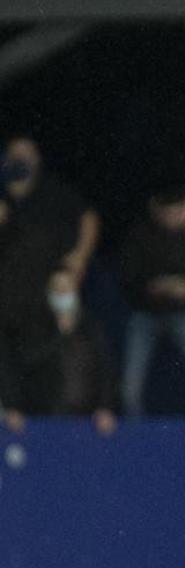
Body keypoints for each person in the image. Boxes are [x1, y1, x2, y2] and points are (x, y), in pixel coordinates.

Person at [0, 135, 101, 430]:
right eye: (15, 154)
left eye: (27, 153)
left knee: (62, 355)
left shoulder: (53, 193)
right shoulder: (4, 197)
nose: (20, 159)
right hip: (8, 297)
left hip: (51, 294)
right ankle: (12, 412)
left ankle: (65, 424)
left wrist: (80, 258)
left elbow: (88, 218)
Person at [119, 186, 185, 420]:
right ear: (156, 209)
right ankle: (131, 420)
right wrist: (152, 287)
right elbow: (127, 277)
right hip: (146, 312)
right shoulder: (141, 237)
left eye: (176, 210)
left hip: (183, 311)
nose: (172, 216)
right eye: (167, 211)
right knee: (132, 373)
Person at [0, 268, 119, 435]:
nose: (63, 293)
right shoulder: (35, 327)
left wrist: (105, 406)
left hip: (87, 419)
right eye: (57, 288)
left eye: (67, 288)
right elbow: (24, 364)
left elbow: (105, 367)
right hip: (43, 418)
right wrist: (58, 335)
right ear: (49, 293)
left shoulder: (90, 327)